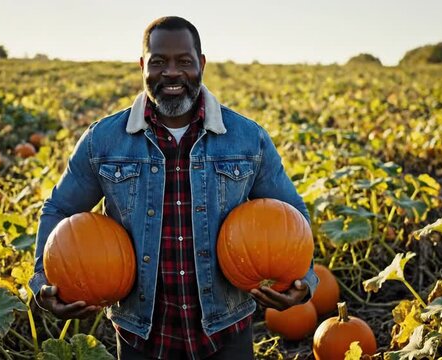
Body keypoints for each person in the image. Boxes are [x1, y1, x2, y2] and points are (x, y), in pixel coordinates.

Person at [30, 16, 318, 360]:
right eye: (158, 62)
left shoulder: (247, 138)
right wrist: (43, 281)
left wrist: (303, 281)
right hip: (142, 336)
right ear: (142, 66)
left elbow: (292, 213)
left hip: (226, 333)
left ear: (202, 65)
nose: (171, 73)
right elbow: (60, 209)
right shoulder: (102, 141)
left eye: (184, 61)